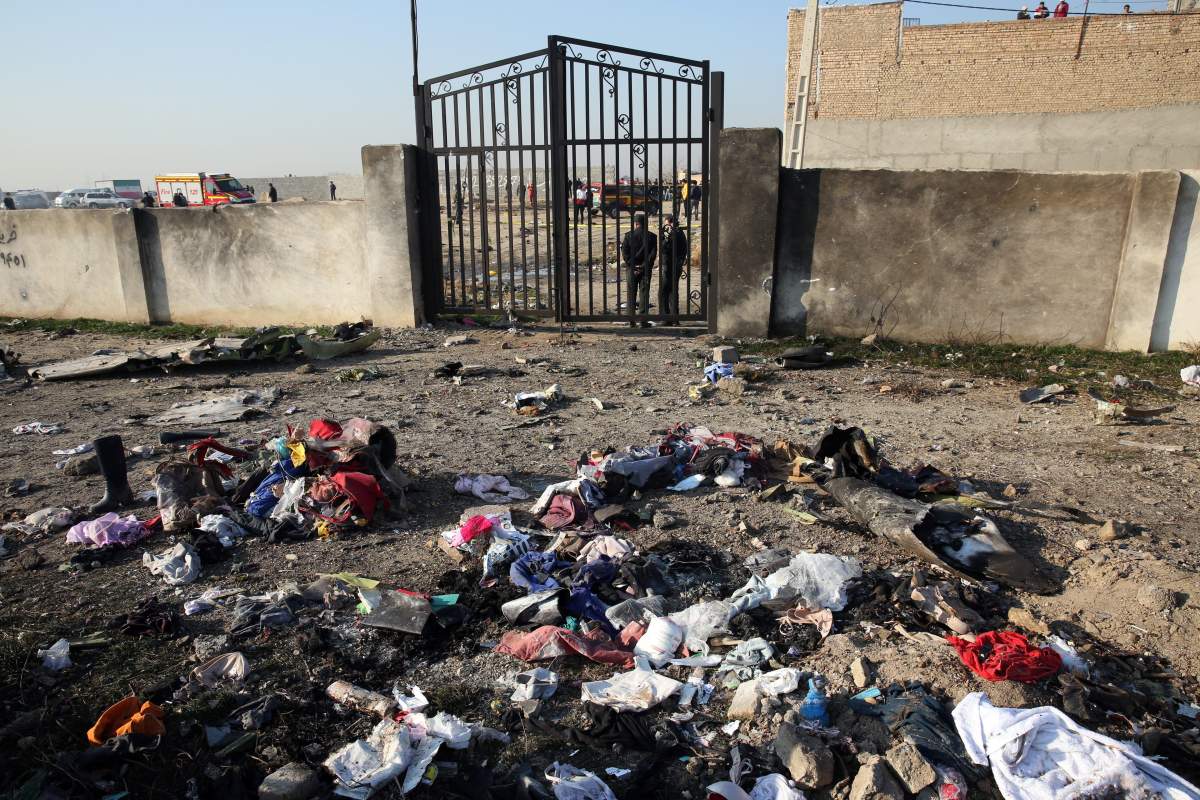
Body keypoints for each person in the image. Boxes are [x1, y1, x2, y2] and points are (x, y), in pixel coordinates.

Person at [620, 211, 656, 327]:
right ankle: (643, 320)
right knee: (644, 293)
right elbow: (652, 254)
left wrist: (633, 265)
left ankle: (631, 319)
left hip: (632, 269)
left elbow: (625, 254)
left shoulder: (628, 236)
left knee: (631, 293)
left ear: (636, 224)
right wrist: (643, 266)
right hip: (645, 269)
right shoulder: (652, 236)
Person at [659, 214, 688, 326]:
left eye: (665, 222)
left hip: (668, 265)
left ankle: (666, 318)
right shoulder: (680, 233)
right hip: (677, 265)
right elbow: (684, 249)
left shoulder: (670, 233)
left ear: (669, 222)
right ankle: (675, 318)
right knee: (673, 290)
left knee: (664, 291)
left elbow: (664, 248)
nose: (664, 224)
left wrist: (666, 237)